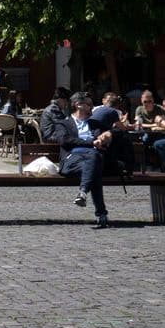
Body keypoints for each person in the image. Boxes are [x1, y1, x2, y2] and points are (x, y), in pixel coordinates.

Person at [58, 92, 113, 228]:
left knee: (93, 163)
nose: (92, 108)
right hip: (72, 159)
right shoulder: (63, 123)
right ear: (78, 105)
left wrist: (108, 135)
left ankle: (83, 193)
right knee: (94, 165)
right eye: (89, 105)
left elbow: (111, 133)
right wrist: (91, 143)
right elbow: (65, 141)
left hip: (91, 159)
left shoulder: (95, 124)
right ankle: (101, 214)